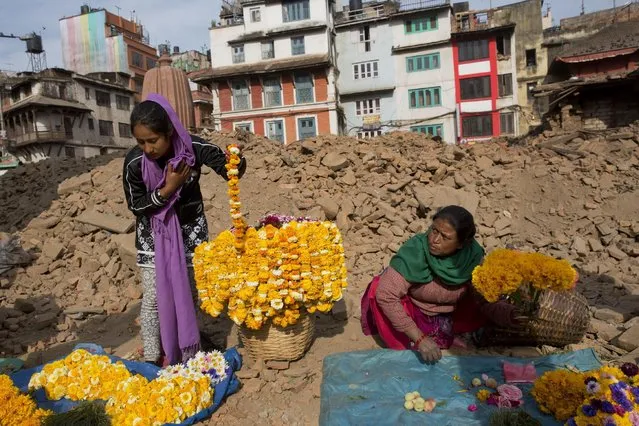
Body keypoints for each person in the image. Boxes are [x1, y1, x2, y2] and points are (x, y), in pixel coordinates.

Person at [123, 93, 246, 366]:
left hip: (190, 231)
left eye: (153, 141)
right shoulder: (134, 163)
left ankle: (186, 348)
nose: (147, 149)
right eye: (141, 142)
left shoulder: (192, 148)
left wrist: (235, 161)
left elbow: (228, 169)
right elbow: (138, 205)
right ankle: (155, 354)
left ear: (169, 131)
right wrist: (169, 188)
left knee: (187, 293)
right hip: (153, 234)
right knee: (154, 298)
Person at [360, 205, 516, 363]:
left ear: (461, 244)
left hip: (450, 312)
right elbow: (386, 294)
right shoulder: (416, 251)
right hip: (413, 312)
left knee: (479, 293)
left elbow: (483, 298)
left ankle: (452, 332)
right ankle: (408, 340)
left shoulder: (472, 258)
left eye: (445, 237)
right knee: (378, 287)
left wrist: (509, 313)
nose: (434, 240)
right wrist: (419, 338)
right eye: (434, 230)